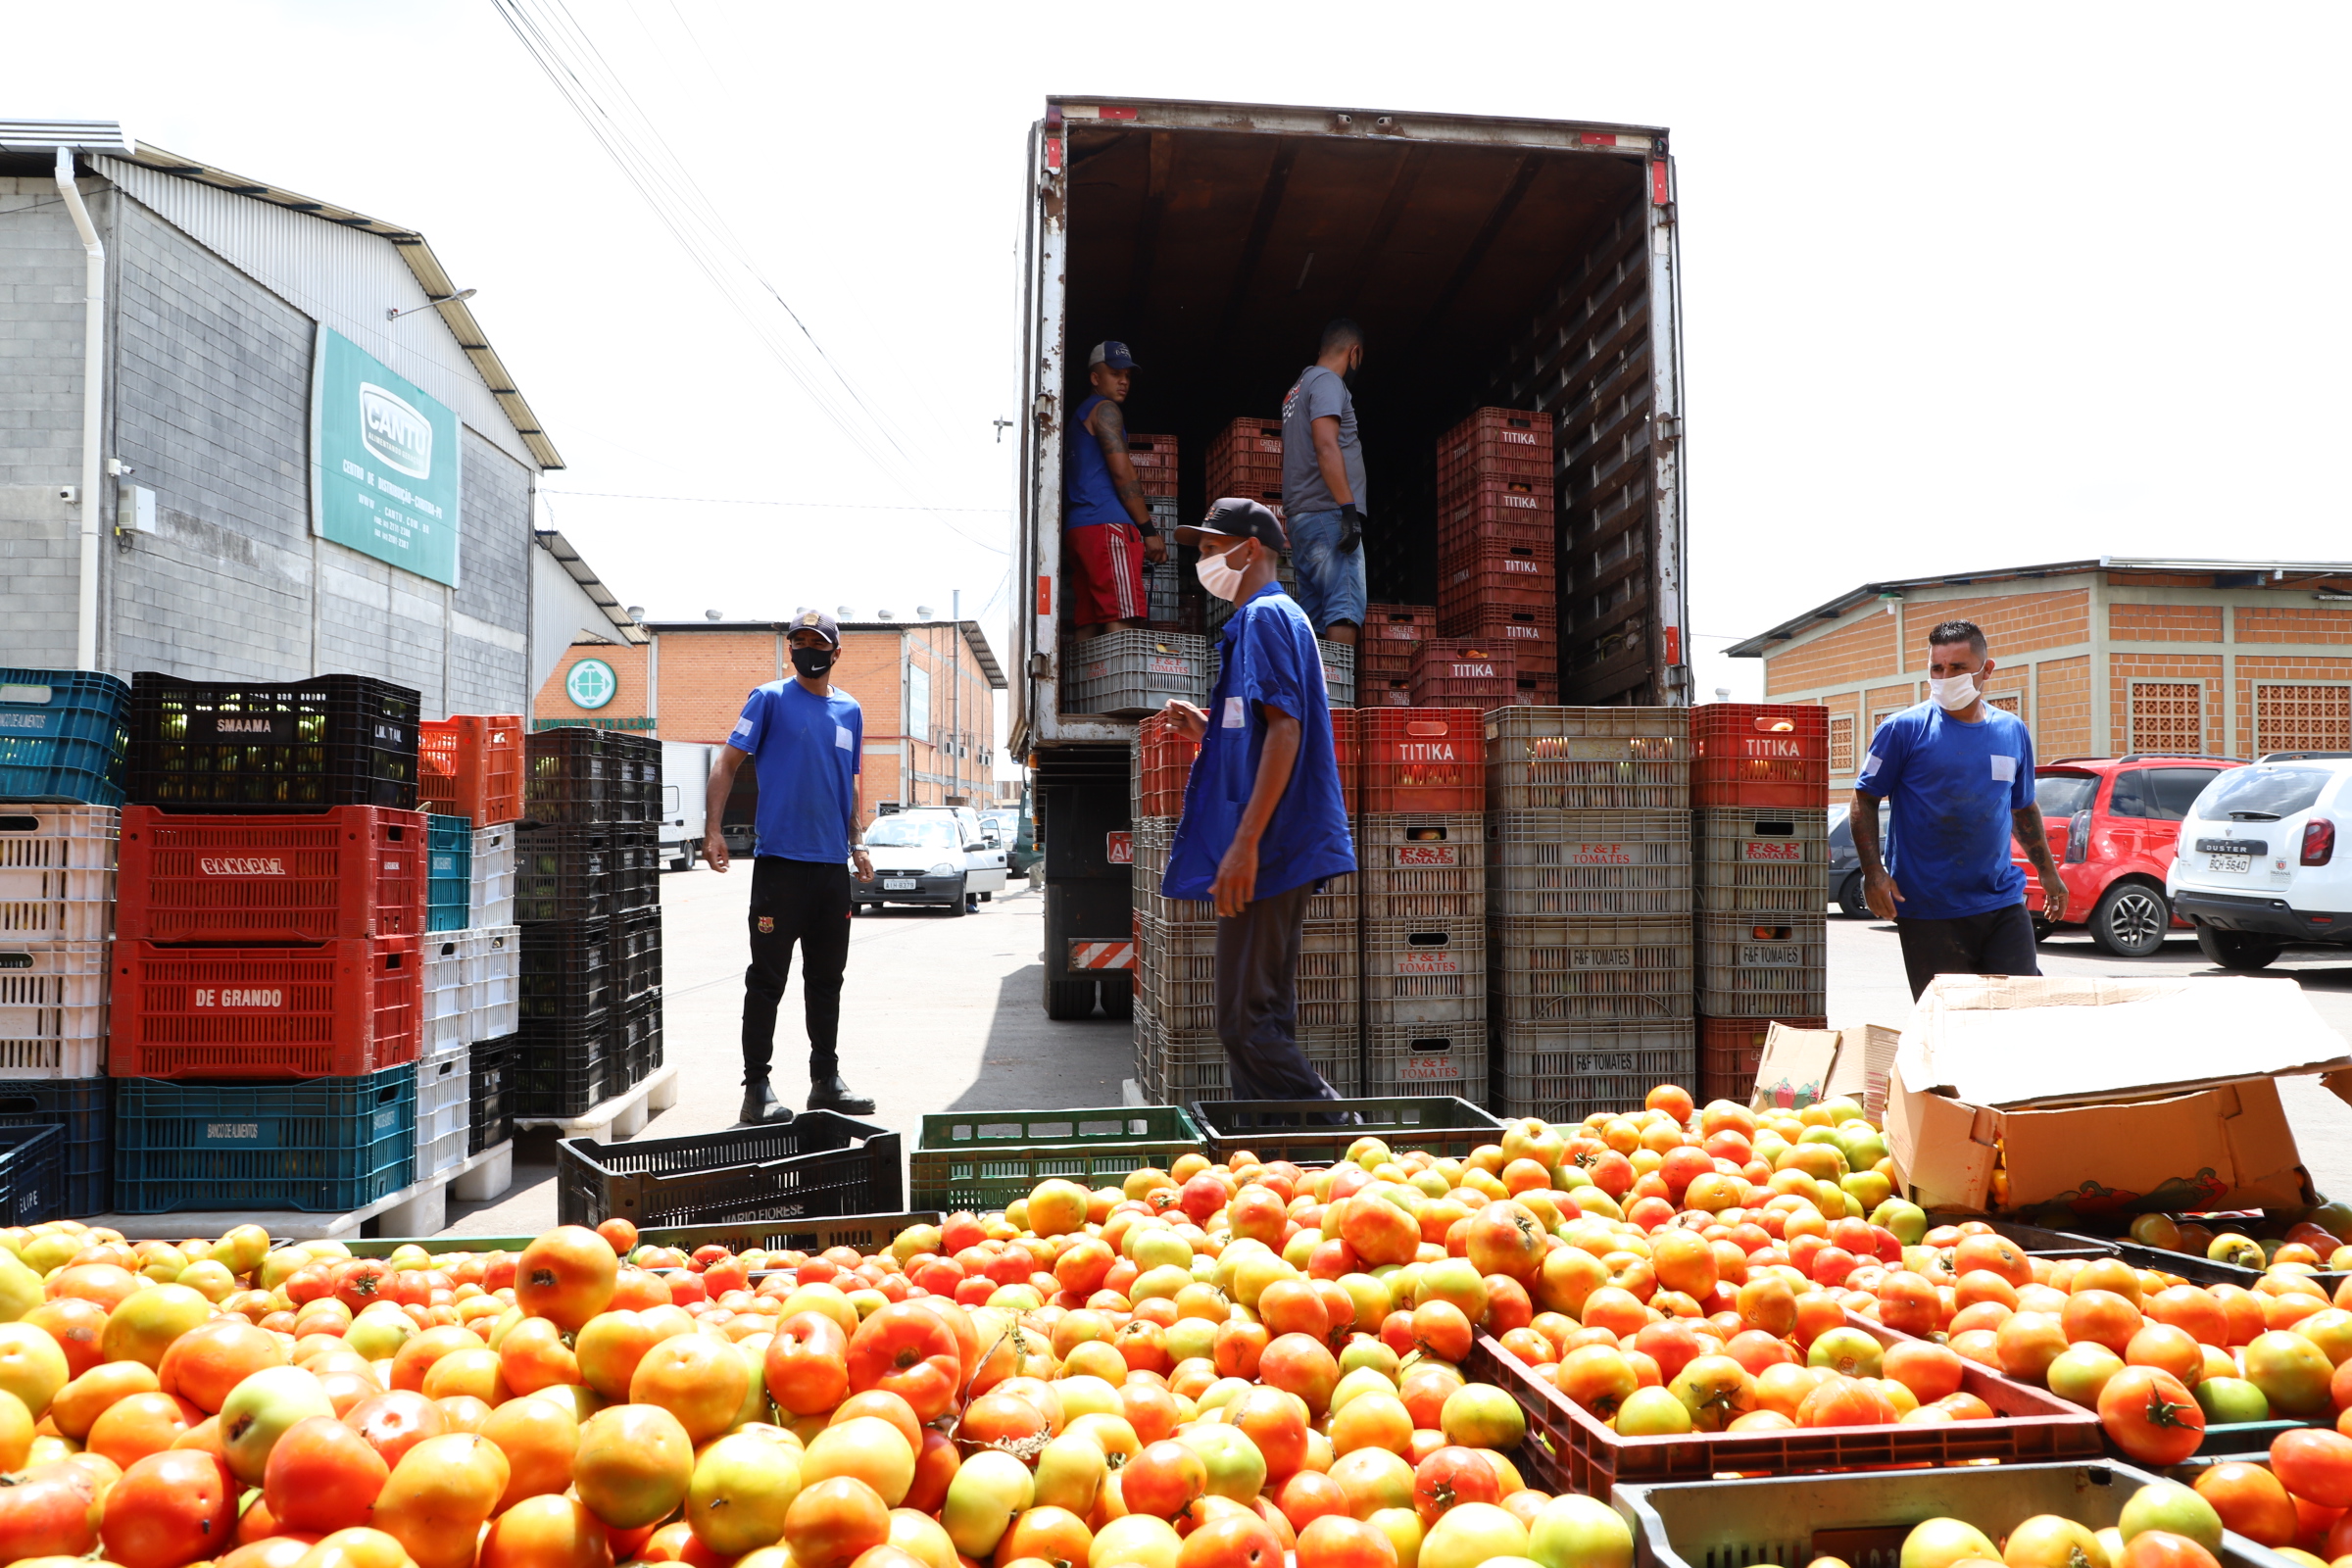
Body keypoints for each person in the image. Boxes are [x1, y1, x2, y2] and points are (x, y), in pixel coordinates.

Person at [1157, 499, 1357, 1101]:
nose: (1205, 559)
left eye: (1213, 547)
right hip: (1270, 842)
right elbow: (1263, 726)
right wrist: (1209, 730)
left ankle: (1342, 1137)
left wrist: (1244, 845)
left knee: (1247, 1023)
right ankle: (1272, 1160)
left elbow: (1288, 730)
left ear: (1251, 549)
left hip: (1273, 843)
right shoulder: (1263, 620)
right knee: (1256, 1017)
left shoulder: (1268, 617)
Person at [703, 610, 878, 1121]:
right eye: (798, 641)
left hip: (829, 871)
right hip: (780, 866)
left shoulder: (851, 711)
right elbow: (726, 763)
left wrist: (858, 842)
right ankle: (756, 1089)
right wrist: (713, 830)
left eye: (817, 643)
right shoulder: (770, 698)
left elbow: (850, 783)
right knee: (767, 981)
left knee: (827, 980)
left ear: (835, 652)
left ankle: (825, 1080)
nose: (807, 650)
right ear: (790, 650)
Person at [1852, 619, 2069, 1000]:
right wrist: (1874, 873)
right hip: (1927, 906)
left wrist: (2049, 875)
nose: (1945, 677)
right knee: (1950, 1020)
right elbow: (1864, 798)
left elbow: (2022, 807)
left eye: (1957, 668)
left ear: (1987, 670)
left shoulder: (2012, 730)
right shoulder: (1902, 730)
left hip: (2000, 898)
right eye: (1937, 668)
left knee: (2021, 1005)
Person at [1064, 340, 1167, 633]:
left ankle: (1088, 681)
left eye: (1128, 375)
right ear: (1095, 378)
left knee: (1090, 620)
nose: (1123, 380)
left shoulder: (1078, 417)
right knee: (1122, 617)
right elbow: (1122, 473)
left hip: (1079, 530)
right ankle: (1125, 681)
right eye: (1114, 373)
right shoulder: (1105, 409)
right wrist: (1148, 530)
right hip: (1107, 526)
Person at [1279, 318, 1369, 647]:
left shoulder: (1296, 390)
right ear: (1354, 353)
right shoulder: (1328, 382)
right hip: (1329, 515)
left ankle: (1318, 695)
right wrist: (1348, 510)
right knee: (1343, 607)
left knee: (1315, 617)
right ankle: (1339, 696)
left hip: (1302, 519)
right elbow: (1325, 444)